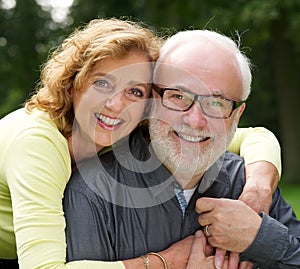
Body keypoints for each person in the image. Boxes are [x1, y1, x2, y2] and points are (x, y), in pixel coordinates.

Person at [0, 17, 279, 269]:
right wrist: (166, 262)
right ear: (74, 82)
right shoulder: (36, 143)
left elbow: (252, 136)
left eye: (134, 91)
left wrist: (258, 186)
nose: (116, 105)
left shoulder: (128, 126)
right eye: (103, 83)